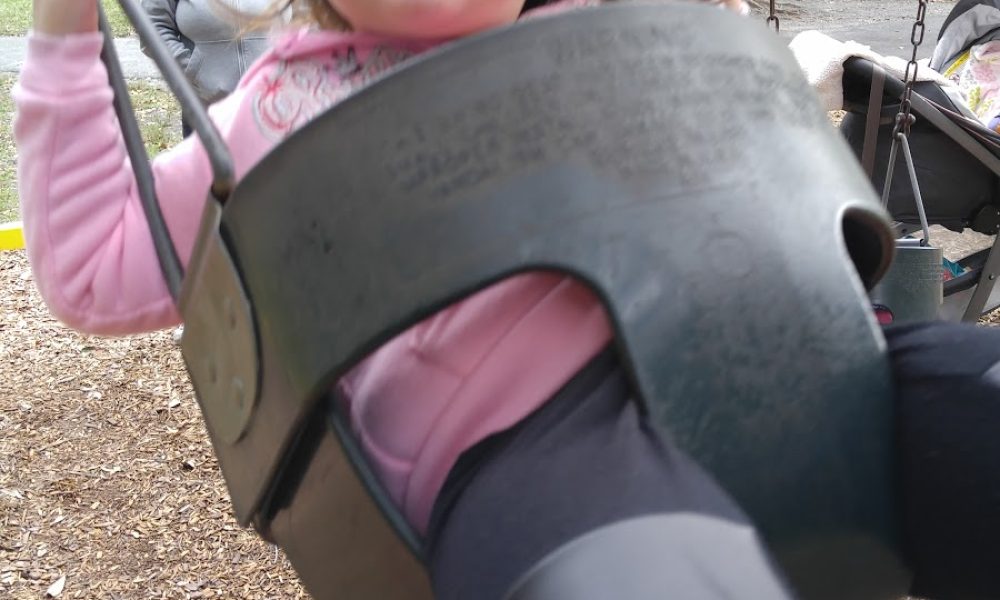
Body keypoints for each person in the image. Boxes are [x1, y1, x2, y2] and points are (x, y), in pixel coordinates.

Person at [12, 0, 1000, 598]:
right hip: (533, 458)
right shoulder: (273, 117)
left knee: (971, 404)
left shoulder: (620, 22)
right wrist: (63, 35)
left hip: (808, 352)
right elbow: (99, 261)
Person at [141, 0, 280, 136]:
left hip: (276, 106)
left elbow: (299, 16)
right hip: (206, 109)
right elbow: (151, 26)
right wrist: (192, 71)